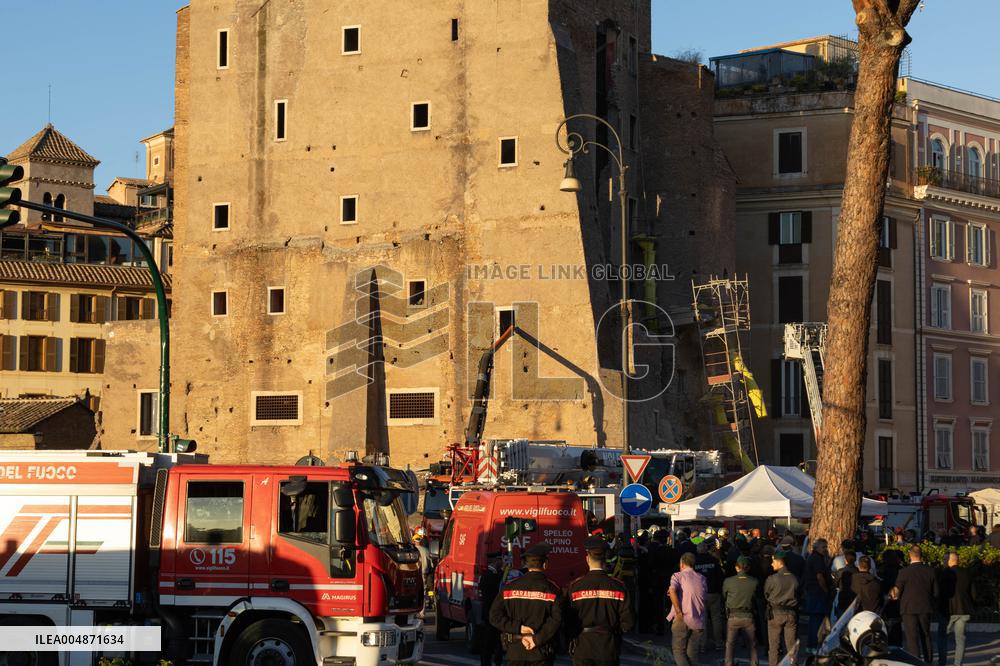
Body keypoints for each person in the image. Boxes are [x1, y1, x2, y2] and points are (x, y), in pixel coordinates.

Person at [564, 536, 634, 666]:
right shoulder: (618, 586)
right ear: (605, 560)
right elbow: (628, 622)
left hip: (583, 646)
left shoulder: (575, 587)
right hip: (608, 647)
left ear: (587, 559)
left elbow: (567, 619)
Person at [489, 544, 563, 666]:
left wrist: (518, 628)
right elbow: (557, 619)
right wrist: (536, 639)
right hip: (541, 651)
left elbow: (494, 616)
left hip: (515, 651)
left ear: (527, 564)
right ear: (545, 564)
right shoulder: (552, 589)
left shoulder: (510, 587)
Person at [891, 545, 937, 665]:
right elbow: (936, 592)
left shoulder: (903, 572)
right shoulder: (931, 570)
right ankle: (928, 661)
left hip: (908, 608)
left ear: (910, 555)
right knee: (925, 635)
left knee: (911, 637)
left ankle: (915, 662)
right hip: (925, 607)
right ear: (921, 555)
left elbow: (897, 590)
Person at [667, 552, 707, 666]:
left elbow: (673, 590)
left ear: (682, 564)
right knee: (692, 654)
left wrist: (678, 611)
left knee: (678, 651)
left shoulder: (677, 576)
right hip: (698, 620)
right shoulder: (702, 578)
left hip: (682, 617)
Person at [936, 551, 973, 666]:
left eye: (945, 559)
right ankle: (958, 664)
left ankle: (942, 663)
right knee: (960, 639)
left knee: (942, 638)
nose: (943, 561)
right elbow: (973, 593)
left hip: (947, 611)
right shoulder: (967, 573)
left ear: (950, 560)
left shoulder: (943, 573)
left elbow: (939, 593)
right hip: (963, 610)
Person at [764, 550, 799, 666]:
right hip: (791, 614)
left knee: (774, 646)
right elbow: (798, 594)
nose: (771, 564)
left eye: (773, 561)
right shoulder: (794, 578)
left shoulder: (772, 578)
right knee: (791, 646)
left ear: (780, 562)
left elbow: (766, 594)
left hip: (775, 614)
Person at [722, 556, 758, 666]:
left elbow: (724, 596)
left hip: (733, 616)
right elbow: (755, 598)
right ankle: (754, 663)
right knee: (752, 644)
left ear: (737, 567)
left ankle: (728, 663)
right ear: (747, 568)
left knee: (730, 644)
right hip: (748, 616)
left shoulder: (728, 581)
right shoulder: (754, 582)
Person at [694, 540, 725, 652]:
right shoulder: (714, 560)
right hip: (713, 593)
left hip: (700, 594)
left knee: (702, 619)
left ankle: (702, 644)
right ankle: (719, 643)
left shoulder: (695, 562)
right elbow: (720, 576)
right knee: (716, 618)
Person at [803, 538, 832, 651]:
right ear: (817, 548)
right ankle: (814, 645)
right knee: (817, 621)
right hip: (817, 593)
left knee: (814, 620)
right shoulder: (817, 559)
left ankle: (811, 645)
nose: (825, 549)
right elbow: (820, 577)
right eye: (823, 547)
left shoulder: (814, 557)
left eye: (826, 547)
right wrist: (825, 590)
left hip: (813, 592)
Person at [478, 552, 505, 666]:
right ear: (496, 561)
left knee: (498, 640)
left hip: (494, 613)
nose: (502, 562)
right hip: (490, 613)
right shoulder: (489, 575)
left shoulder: (495, 573)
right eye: (500, 560)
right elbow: (492, 591)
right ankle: (486, 662)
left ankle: (497, 660)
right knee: (489, 640)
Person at [834, 550, 859, 616]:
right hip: (855, 602)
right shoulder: (858, 573)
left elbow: (835, 585)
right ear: (855, 559)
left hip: (843, 601)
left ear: (845, 560)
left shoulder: (840, 572)